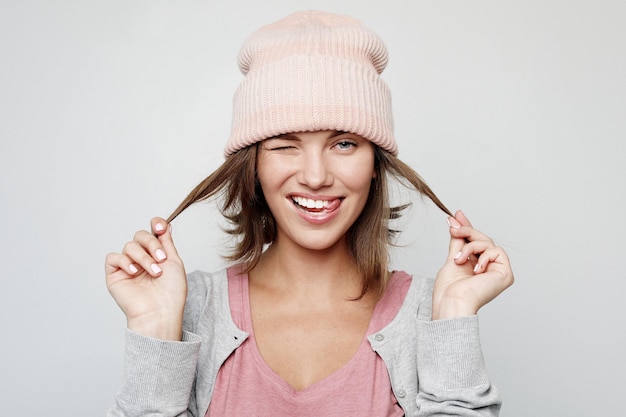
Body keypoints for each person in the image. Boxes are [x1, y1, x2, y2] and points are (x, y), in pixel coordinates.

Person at [105, 10, 513, 417]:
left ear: (375, 163)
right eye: (285, 144)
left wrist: (455, 314)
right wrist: (156, 330)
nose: (316, 177)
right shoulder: (190, 309)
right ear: (254, 166)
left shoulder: (432, 314)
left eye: (345, 144)